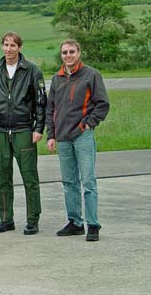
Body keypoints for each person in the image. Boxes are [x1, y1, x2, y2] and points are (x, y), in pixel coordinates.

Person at [45, 39, 110, 242]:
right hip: (62, 137)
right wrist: (51, 134)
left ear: (79, 53)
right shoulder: (57, 78)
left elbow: (102, 104)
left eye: (72, 51)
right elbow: (51, 108)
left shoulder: (91, 75)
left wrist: (89, 124)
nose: (68, 55)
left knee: (88, 181)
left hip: (82, 135)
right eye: (64, 52)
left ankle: (93, 224)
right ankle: (75, 222)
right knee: (69, 181)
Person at [0, 31, 46, 235]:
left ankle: (33, 220)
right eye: (6, 45)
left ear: (19, 47)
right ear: (2, 46)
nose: (9, 49)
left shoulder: (32, 70)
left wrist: (38, 128)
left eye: (13, 45)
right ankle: (6, 219)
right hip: (1, 130)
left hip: (23, 129)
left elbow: (40, 102)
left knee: (29, 177)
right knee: (3, 178)